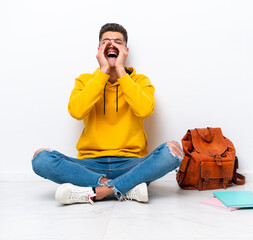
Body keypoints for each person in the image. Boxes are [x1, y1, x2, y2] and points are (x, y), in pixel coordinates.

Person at [32, 23, 183, 205]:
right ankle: (124, 188)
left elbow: (145, 110)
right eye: (106, 42)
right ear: (98, 50)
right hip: (90, 165)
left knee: (173, 151)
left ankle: (98, 191)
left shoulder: (140, 81)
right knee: (40, 158)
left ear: (126, 50)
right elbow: (76, 111)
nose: (111, 45)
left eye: (117, 42)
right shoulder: (85, 80)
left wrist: (120, 71)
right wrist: (103, 71)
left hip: (131, 164)